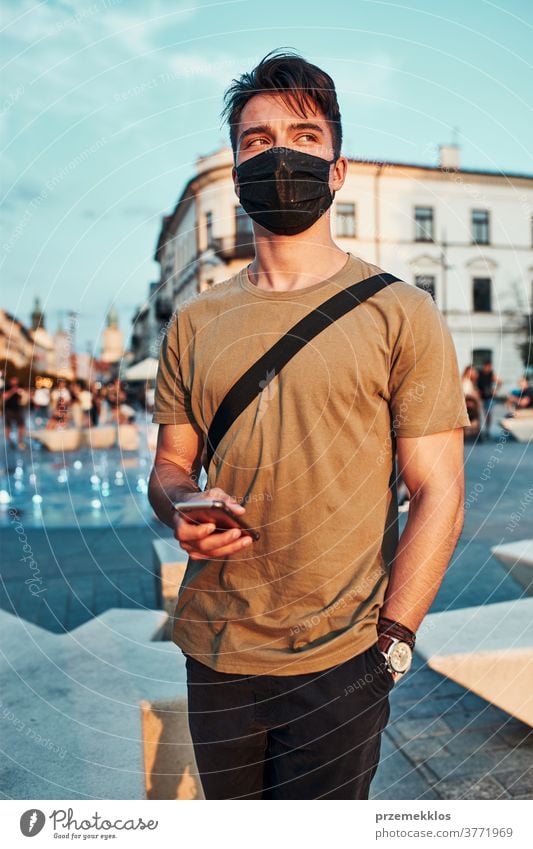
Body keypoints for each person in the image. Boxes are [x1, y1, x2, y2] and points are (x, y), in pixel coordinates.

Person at [148, 49, 470, 801]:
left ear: (337, 167)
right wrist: (178, 505)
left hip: (341, 660)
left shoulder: (402, 312)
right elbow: (169, 464)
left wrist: (389, 645)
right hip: (215, 646)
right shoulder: (194, 321)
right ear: (235, 174)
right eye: (257, 142)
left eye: (302, 135)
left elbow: (439, 492)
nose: (280, 154)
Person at [476, 359, 502, 439]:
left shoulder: (491, 374)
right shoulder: (479, 373)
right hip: (480, 396)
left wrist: (495, 390)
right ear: (484, 366)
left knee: (488, 413)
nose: (489, 368)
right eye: (488, 366)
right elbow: (474, 382)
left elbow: (499, 382)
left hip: (489, 396)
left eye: (490, 367)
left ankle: (487, 430)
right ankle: (479, 430)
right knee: (480, 413)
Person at [2, 375, 28, 448]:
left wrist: (23, 395)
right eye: (14, 380)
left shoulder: (19, 387)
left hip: (18, 409)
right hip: (8, 410)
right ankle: (9, 442)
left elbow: (24, 398)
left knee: (21, 426)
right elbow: (4, 397)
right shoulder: (6, 387)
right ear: (11, 380)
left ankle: (20, 441)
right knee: (8, 427)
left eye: (17, 380)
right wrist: (13, 391)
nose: (16, 381)